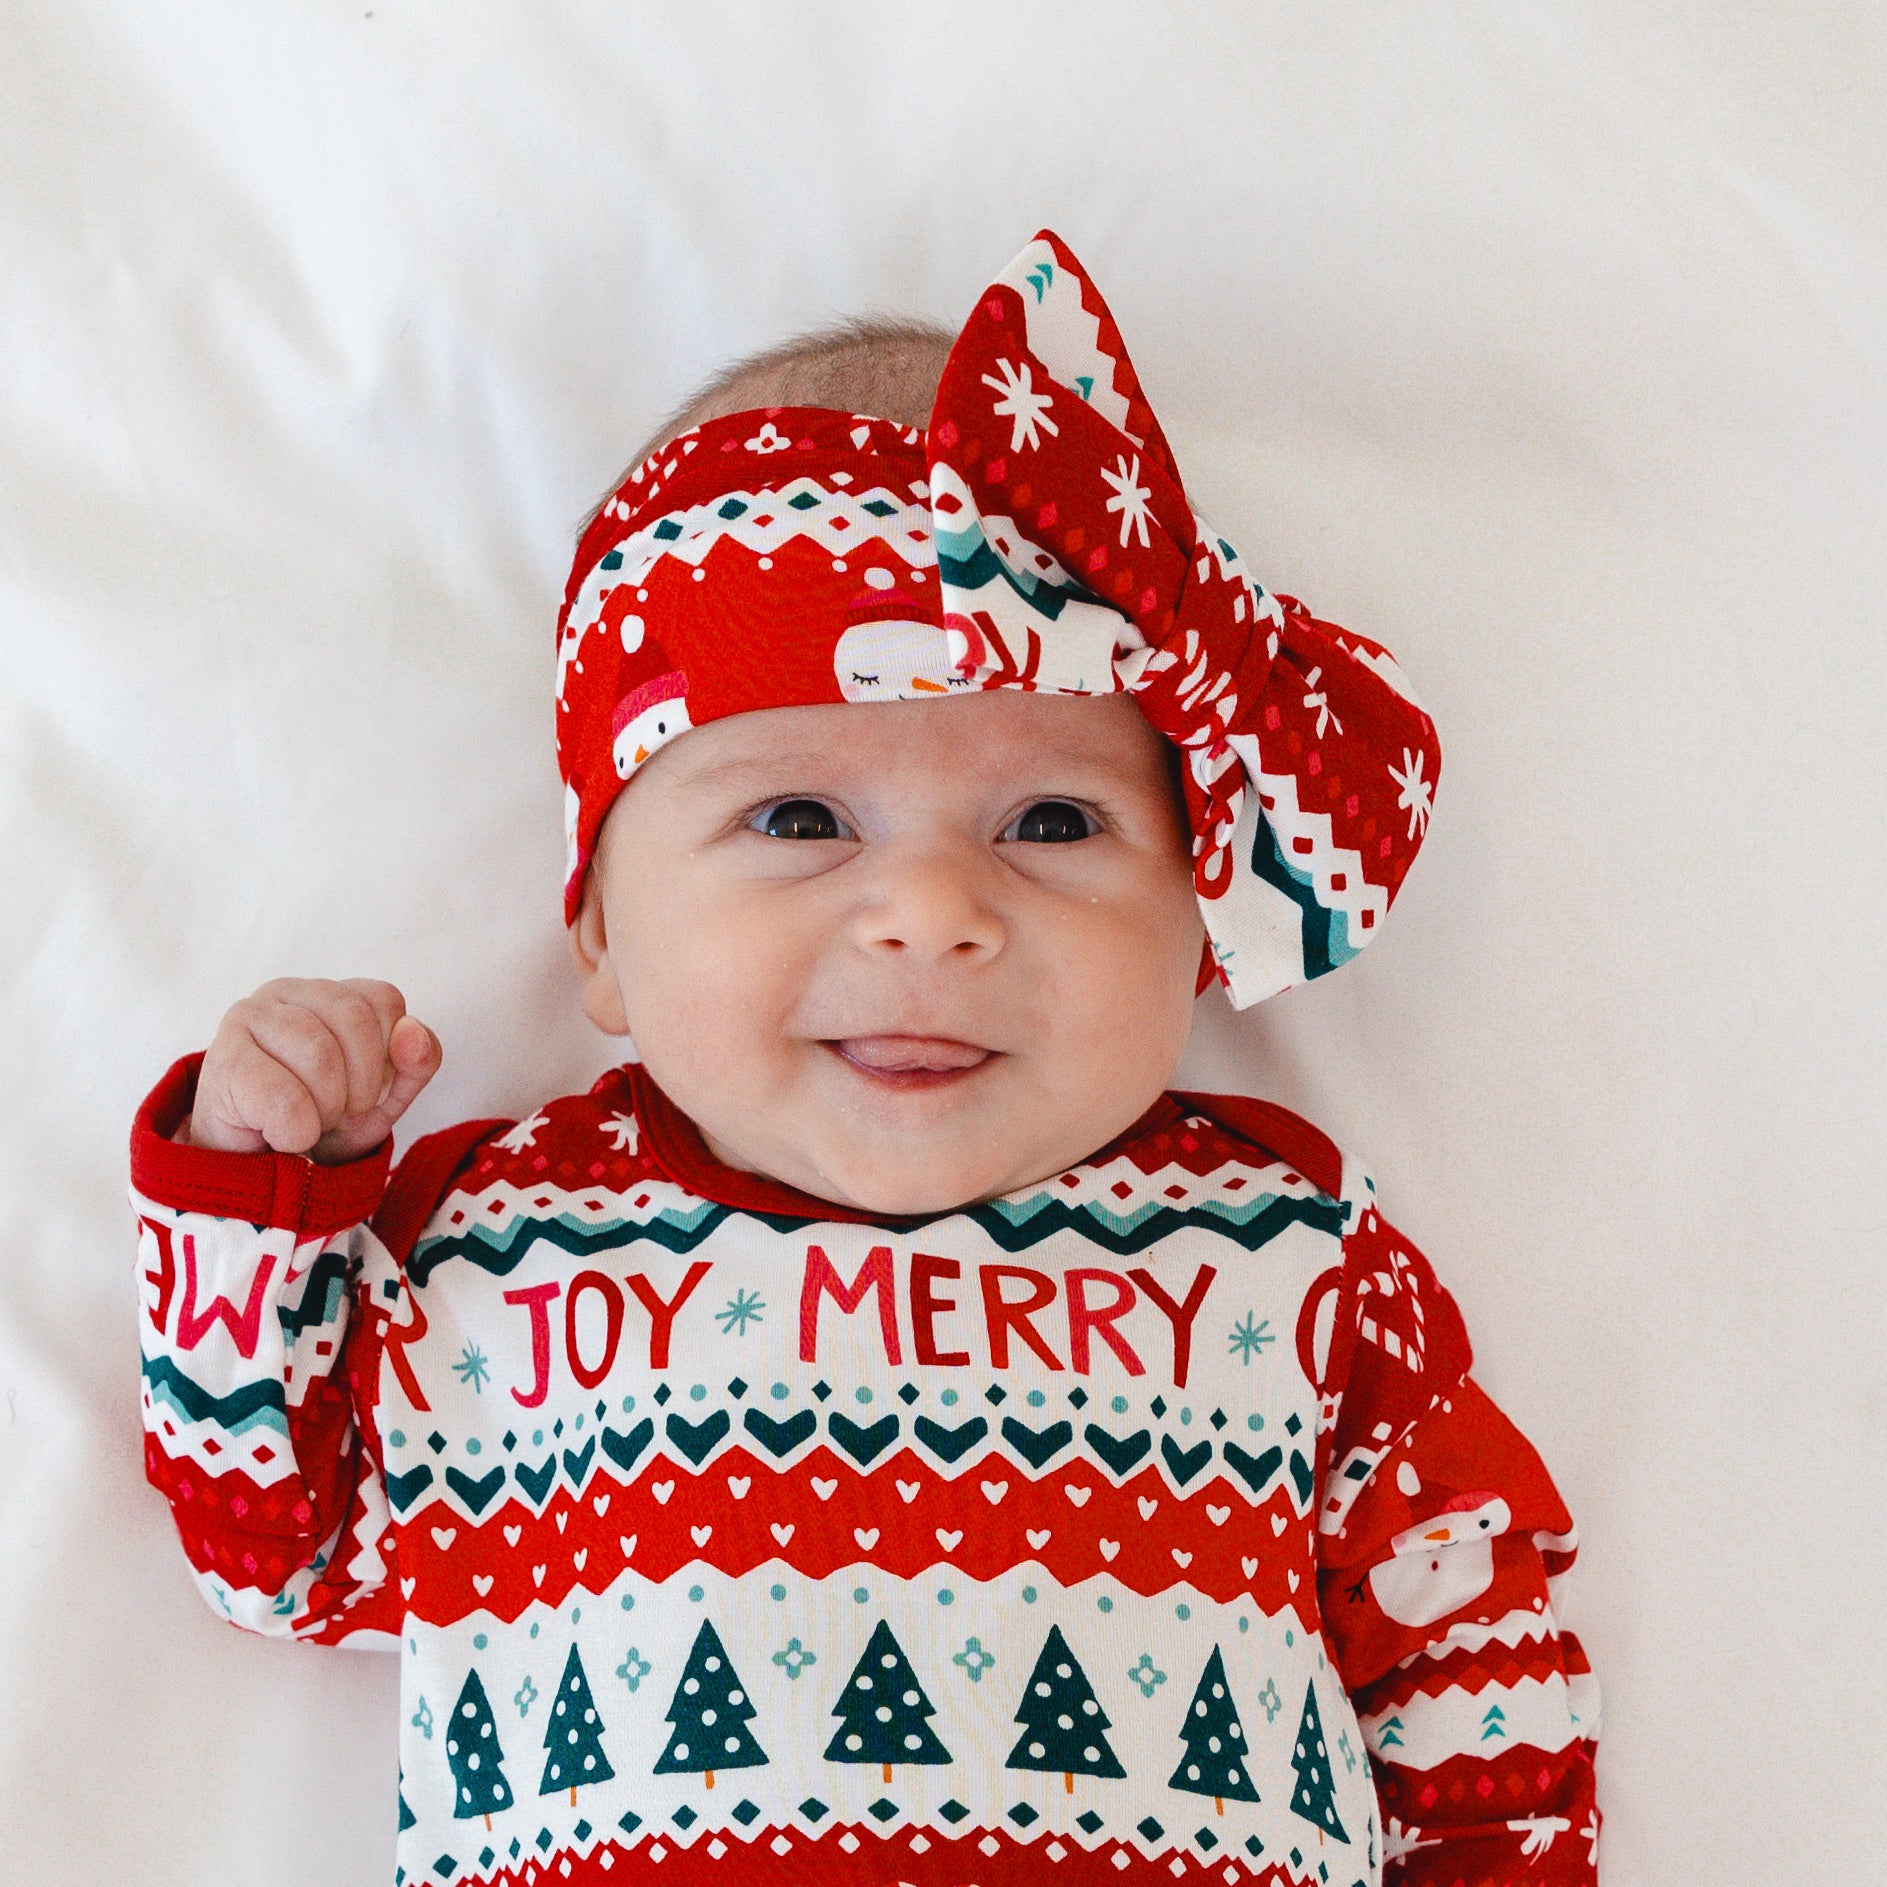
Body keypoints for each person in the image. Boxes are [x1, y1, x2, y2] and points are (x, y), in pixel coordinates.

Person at [131, 232, 1599, 1885]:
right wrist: (263, 1198)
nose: (928, 913)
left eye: (1052, 820)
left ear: (1201, 911)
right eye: (799, 817)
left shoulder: (1286, 1255)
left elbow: (1468, 1660)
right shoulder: (504, 1253)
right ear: (601, 937)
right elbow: (283, 1539)